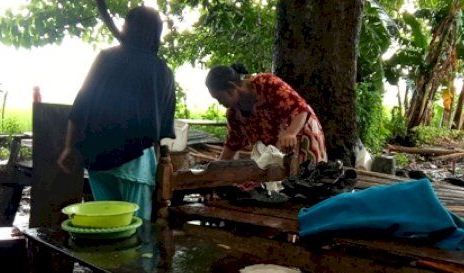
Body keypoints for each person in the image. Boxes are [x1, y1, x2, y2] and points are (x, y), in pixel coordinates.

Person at [57, 6, 176, 221]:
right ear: (156, 33)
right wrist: (156, 168)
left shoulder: (106, 58)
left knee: (107, 223)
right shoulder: (163, 72)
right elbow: (159, 132)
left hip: (97, 155)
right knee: (136, 226)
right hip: (136, 160)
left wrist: (68, 147)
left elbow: (81, 106)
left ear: (127, 27)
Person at [205, 64, 327, 173]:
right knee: (280, 187)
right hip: (277, 149)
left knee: (310, 179)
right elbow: (232, 144)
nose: (219, 103)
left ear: (232, 88)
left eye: (219, 97)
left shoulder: (266, 83)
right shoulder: (234, 114)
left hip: (301, 131)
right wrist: (216, 170)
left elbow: (300, 109)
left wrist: (290, 133)